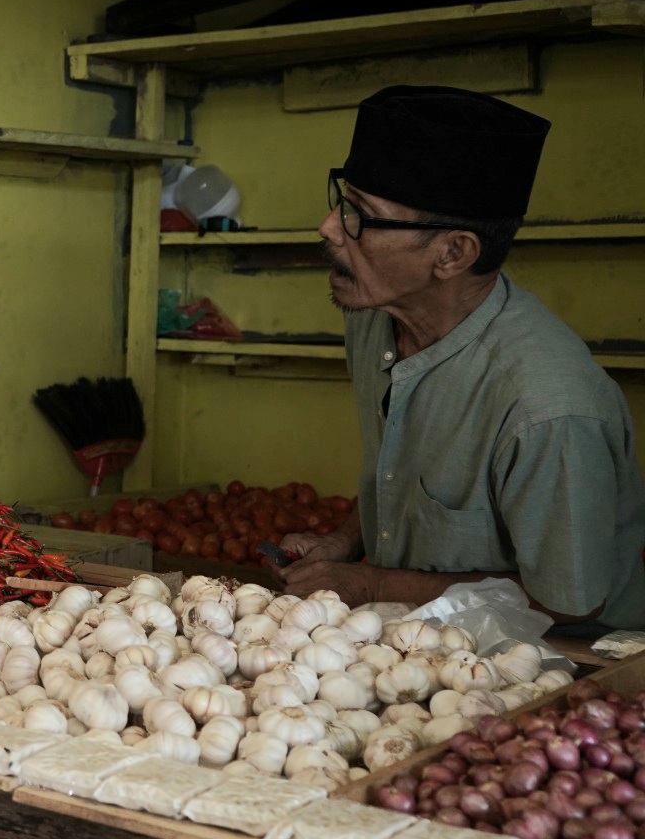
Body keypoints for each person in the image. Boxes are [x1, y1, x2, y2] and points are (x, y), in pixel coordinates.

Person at [270, 84, 645, 629]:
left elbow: (568, 605)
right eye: (341, 200)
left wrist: (372, 584)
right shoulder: (376, 313)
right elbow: (404, 472)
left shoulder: (547, 409)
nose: (329, 227)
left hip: (560, 670)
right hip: (417, 647)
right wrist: (343, 542)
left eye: (361, 215)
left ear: (452, 253)